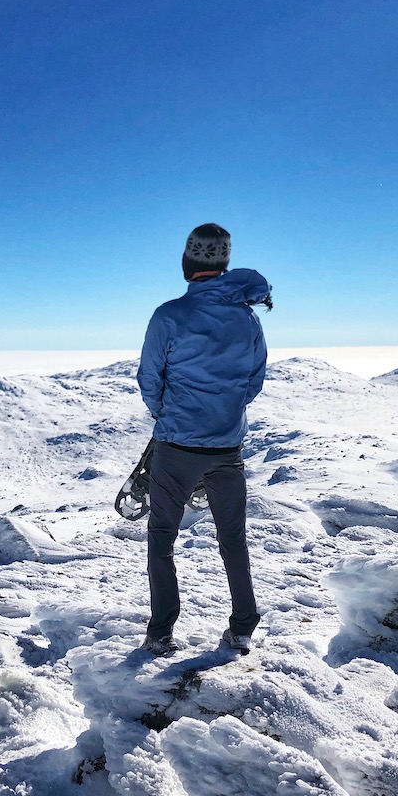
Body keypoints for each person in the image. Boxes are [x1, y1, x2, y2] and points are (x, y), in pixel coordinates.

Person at [135, 223, 272, 656]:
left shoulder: (170, 315)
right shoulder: (247, 319)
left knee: (162, 536)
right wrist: (225, 412)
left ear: (187, 262)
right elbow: (254, 381)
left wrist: (165, 414)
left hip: (177, 448)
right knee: (233, 537)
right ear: (224, 264)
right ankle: (243, 625)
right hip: (227, 447)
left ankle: (161, 633)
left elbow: (149, 378)